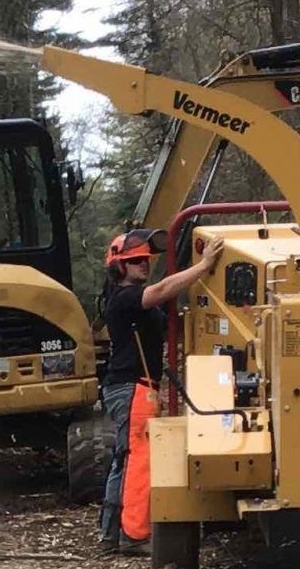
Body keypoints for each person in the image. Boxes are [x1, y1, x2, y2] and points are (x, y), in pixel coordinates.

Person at [96, 229, 227, 552]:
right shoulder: (124, 299)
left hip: (133, 387)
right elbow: (165, 289)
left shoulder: (138, 305)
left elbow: (170, 324)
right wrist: (205, 265)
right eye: (136, 261)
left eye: (145, 260)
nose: (145, 265)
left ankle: (111, 534)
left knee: (124, 461)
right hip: (131, 388)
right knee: (139, 459)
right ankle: (134, 536)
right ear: (119, 268)